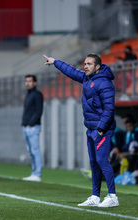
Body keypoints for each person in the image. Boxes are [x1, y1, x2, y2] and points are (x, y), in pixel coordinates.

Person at [43, 53, 119, 207]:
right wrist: (55, 62)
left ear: (97, 67)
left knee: (102, 161)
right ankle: (95, 197)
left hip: (101, 129)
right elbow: (71, 71)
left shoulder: (104, 83)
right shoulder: (87, 78)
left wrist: (101, 128)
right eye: (85, 63)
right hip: (91, 128)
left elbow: (109, 109)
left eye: (89, 64)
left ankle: (112, 197)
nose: (85, 66)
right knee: (93, 163)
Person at [21, 74, 44, 182]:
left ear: (34, 83)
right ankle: (34, 173)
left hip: (33, 127)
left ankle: (37, 174)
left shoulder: (37, 94)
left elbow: (39, 111)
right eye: (26, 81)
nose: (27, 83)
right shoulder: (28, 95)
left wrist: (30, 123)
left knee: (35, 151)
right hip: (26, 127)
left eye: (30, 81)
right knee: (31, 151)